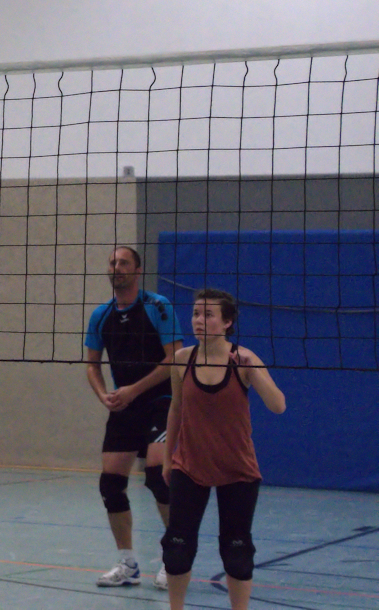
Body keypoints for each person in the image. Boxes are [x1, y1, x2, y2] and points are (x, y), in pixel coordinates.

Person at [162, 289, 286, 610]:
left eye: (208, 314)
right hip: (190, 465)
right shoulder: (182, 359)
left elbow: (278, 405)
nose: (199, 320)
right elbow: (176, 409)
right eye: (196, 313)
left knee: (237, 552)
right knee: (177, 549)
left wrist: (252, 368)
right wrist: (167, 458)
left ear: (227, 322)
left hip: (237, 469)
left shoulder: (243, 360)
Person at [84, 246, 183, 589]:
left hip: (161, 401)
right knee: (110, 484)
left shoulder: (158, 306)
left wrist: (134, 390)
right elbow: (92, 364)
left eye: (123, 262)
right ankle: (127, 564)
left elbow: (174, 359)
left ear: (138, 271)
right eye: (112, 262)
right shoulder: (101, 314)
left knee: (158, 476)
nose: (116, 267)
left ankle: (174, 558)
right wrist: (104, 396)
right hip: (124, 405)